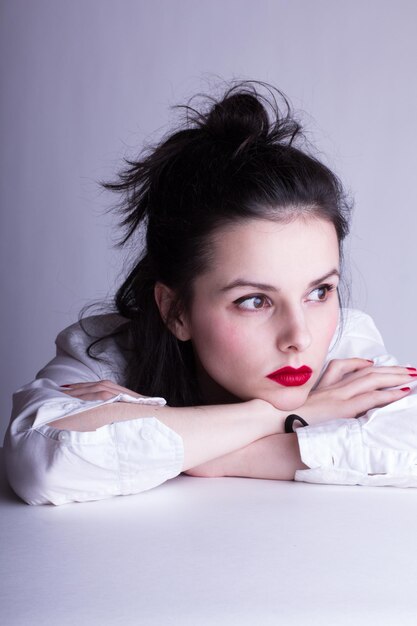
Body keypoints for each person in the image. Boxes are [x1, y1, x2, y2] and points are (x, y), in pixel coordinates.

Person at [4, 81, 417, 506]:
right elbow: (43, 464)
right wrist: (286, 418)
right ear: (175, 310)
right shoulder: (103, 353)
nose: (301, 336)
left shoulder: (346, 345)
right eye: (254, 300)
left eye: (320, 291)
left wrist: (210, 454)